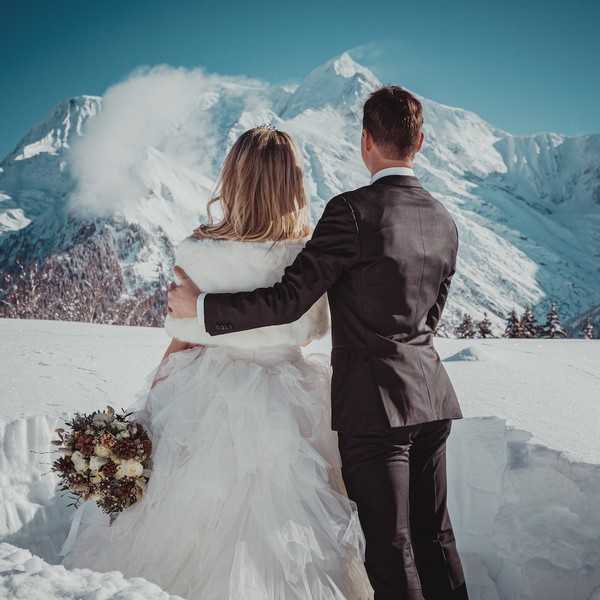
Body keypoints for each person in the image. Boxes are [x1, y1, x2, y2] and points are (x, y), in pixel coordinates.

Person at [169, 87, 469, 600]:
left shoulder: (351, 211)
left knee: (391, 544)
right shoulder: (444, 217)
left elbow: (289, 301)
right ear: (420, 141)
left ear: (366, 141)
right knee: (434, 536)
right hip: (433, 397)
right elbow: (429, 316)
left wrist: (201, 309)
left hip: (374, 407)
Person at [61, 126, 371, 600]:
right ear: (292, 182)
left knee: (188, 514)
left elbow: (183, 339)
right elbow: (310, 329)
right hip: (290, 393)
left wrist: (150, 404)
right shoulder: (307, 256)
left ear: (234, 177)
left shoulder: (199, 252)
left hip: (205, 390)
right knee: (293, 516)